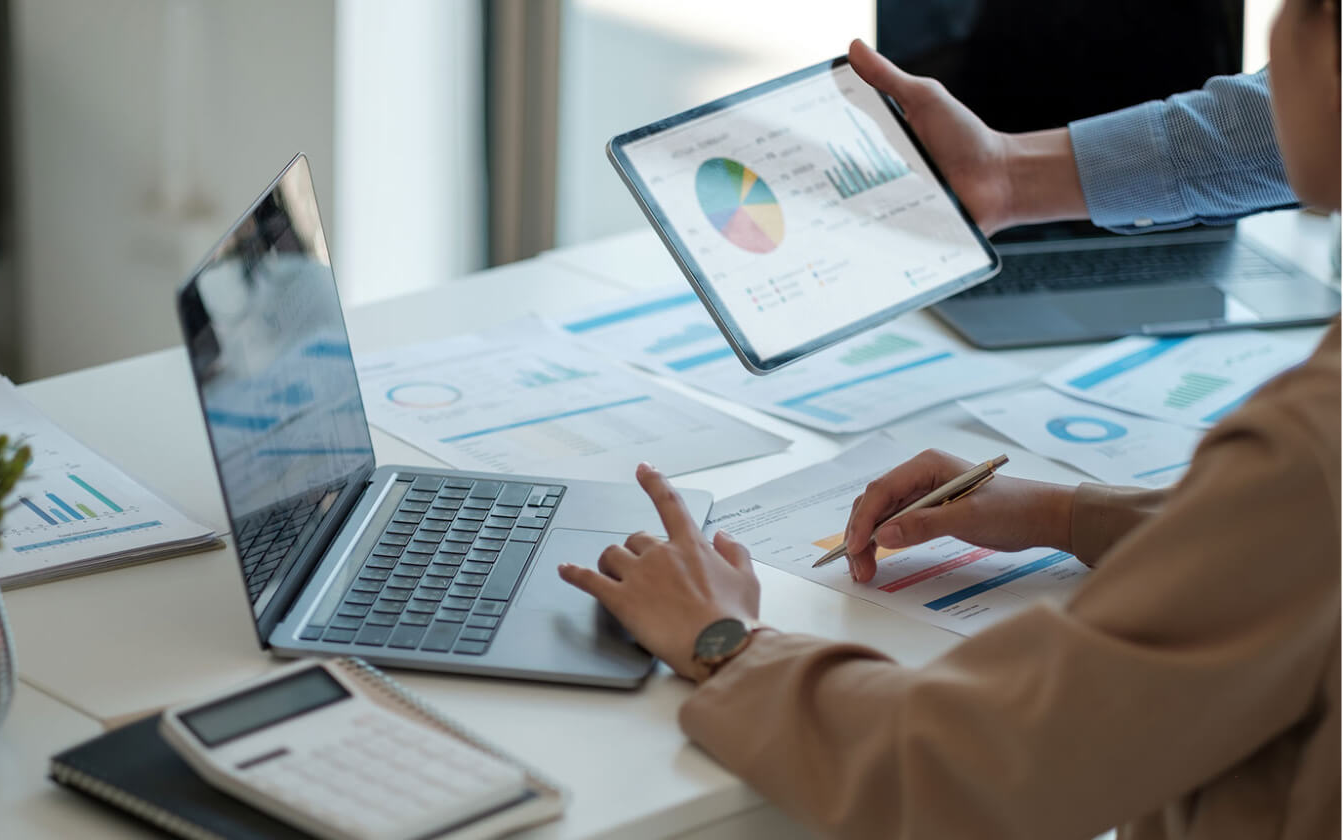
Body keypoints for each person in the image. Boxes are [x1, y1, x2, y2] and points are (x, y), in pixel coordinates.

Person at [556, 1, 1341, 836]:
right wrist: (1068, 514)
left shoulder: (1308, 447)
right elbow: (1296, 548)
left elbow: (984, 771)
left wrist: (725, 641)